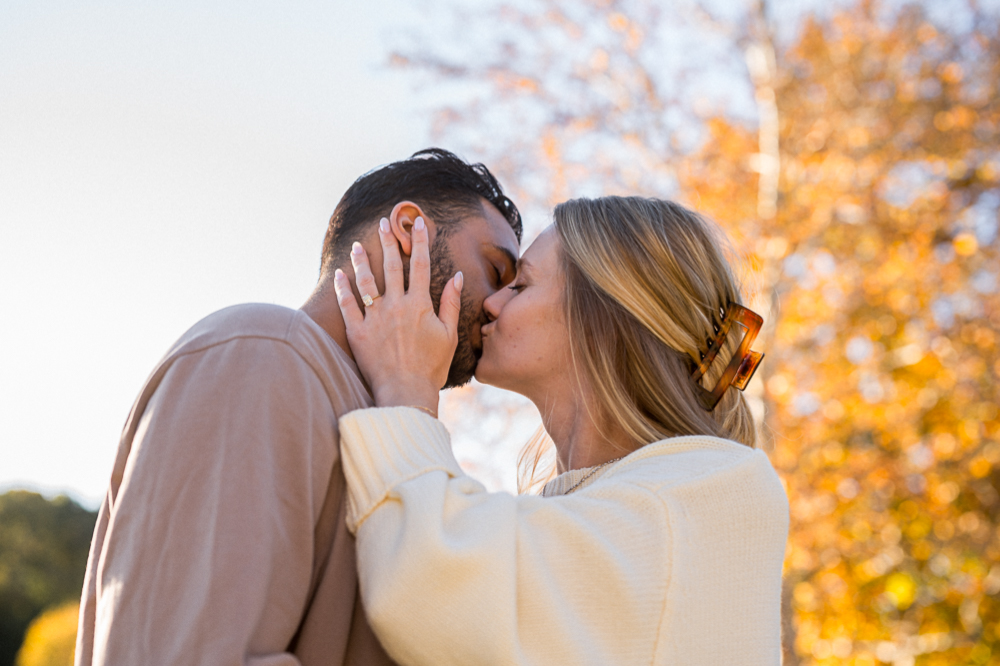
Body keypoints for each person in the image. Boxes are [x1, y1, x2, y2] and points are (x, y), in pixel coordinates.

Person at [75, 148, 522, 666]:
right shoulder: (262, 352)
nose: (500, 305)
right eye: (495, 270)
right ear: (407, 230)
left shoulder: (381, 425)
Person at [333, 196, 790, 665]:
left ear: (604, 318)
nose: (490, 303)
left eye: (521, 284)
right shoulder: (618, 507)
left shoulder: (712, 490)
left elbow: (435, 587)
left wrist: (406, 388)